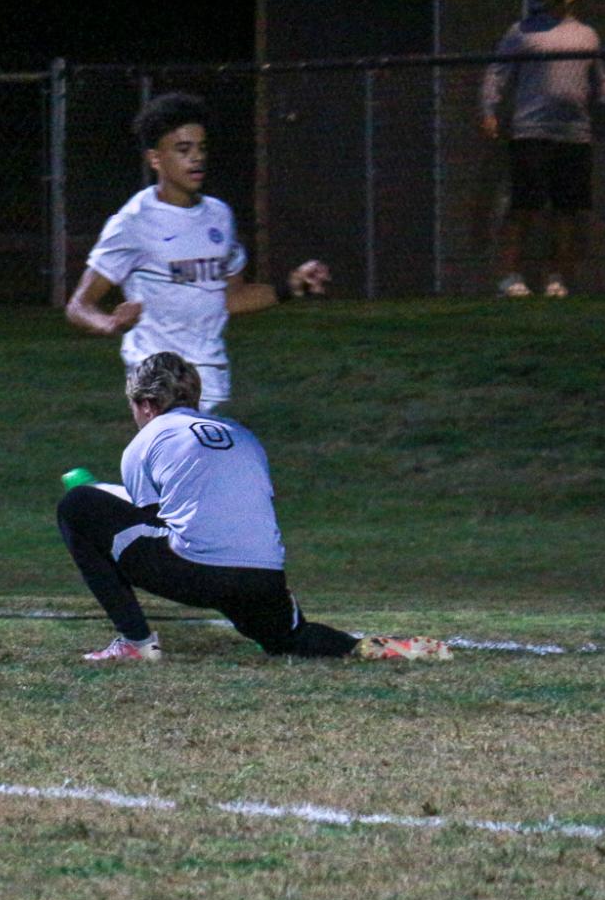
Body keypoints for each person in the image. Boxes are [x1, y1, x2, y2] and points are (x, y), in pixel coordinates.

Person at [56, 351, 451, 665]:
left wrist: (97, 494)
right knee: (291, 640)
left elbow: (151, 521)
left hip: (201, 570)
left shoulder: (148, 439)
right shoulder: (240, 433)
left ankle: (135, 643)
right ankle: (383, 649)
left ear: (145, 403)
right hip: (263, 576)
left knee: (77, 506)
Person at [66, 92, 330, 414]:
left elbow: (230, 299)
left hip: (210, 375)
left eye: (201, 148)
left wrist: (291, 287)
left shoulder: (219, 216)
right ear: (155, 159)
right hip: (157, 375)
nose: (196, 158)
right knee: (180, 460)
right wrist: (108, 323)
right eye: (183, 149)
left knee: (195, 463)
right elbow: (79, 305)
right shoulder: (133, 223)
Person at [480, 0, 605, 298]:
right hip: (531, 130)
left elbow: (601, 80)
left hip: (575, 133)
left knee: (567, 210)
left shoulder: (587, 35)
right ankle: (509, 277)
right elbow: (496, 74)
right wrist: (489, 110)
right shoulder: (522, 32)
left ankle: (556, 279)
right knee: (525, 206)